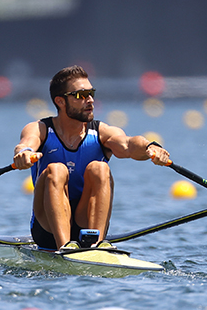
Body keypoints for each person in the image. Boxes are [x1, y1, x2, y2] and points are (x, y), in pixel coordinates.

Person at [12, 65, 171, 251]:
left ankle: (96, 246)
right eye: (81, 95)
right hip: (46, 229)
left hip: (85, 223)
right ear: (61, 102)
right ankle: (65, 247)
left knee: (100, 168)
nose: (90, 100)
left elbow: (128, 145)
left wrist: (150, 148)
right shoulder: (40, 129)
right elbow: (26, 144)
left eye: (91, 93)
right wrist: (23, 153)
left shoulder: (101, 132)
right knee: (56, 169)